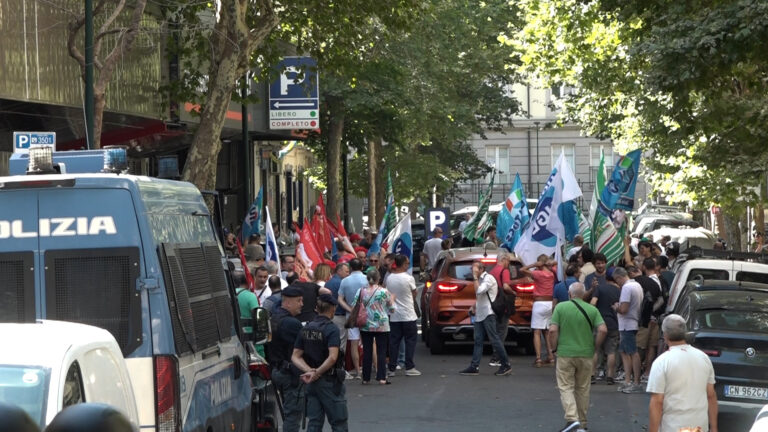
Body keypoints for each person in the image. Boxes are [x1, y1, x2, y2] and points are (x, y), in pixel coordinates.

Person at [549, 282, 607, 432]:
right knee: (582, 389)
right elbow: (603, 330)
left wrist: (553, 348)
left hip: (565, 353)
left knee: (566, 386)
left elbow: (553, 331)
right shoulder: (592, 309)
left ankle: (572, 418)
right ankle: (582, 423)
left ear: (570, 294)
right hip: (586, 353)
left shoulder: (561, 308)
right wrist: (595, 347)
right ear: (583, 295)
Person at [647, 314, 718, 432]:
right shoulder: (703, 358)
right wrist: (714, 427)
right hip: (699, 426)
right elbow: (711, 395)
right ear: (685, 333)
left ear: (665, 335)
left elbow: (657, 402)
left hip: (673, 426)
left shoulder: (661, 362)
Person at [292, 294, 349, 432]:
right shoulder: (331, 329)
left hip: (312, 383)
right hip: (329, 381)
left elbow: (295, 356)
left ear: (317, 309)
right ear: (333, 309)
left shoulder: (306, 328)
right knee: (339, 422)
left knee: (314, 422)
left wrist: (309, 371)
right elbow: (332, 357)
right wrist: (317, 372)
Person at [459, 261, 513, 376]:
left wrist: (474, 277)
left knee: (494, 339)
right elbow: (480, 297)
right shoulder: (480, 280)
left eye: (474, 269)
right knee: (478, 340)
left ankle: (506, 364)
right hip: (480, 314)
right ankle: (474, 366)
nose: (472, 271)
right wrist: (474, 306)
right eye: (472, 269)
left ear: (481, 269)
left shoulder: (488, 278)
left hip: (489, 313)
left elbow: (479, 290)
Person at [267, 286, 305, 432]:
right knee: (293, 415)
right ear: (288, 303)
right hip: (289, 373)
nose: (302, 304)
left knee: (288, 412)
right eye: (299, 301)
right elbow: (303, 347)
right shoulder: (291, 323)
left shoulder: (274, 318)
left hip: (277, 368)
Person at [353, 269, 395, 384]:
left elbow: (354, 305)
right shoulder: (384, 292)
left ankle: (366, 378)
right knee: (382, 351)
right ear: (379, 278)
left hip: (366, 324)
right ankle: (381, 377)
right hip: (382, 324)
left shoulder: (361, 291)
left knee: (367, 351)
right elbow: (392, 309)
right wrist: (392, 300)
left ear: (367, 278)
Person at [386, 254, 421, 377]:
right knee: (410, 341)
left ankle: (392, 367)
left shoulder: (389, 278)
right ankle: (409, 366)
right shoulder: (408, 278)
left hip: (394, 314)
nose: (408, 265)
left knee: (394, 342)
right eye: (407, 263)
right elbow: (414, 292)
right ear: (403, 264)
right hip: (408, 314)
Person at [588, 254, 620, 384]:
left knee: (596, 349)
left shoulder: (599, 288)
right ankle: (610, 376)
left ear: (605, 278)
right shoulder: (619, 290)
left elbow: (593, 303)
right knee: (611, 351)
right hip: (613, 323)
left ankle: (592, 375)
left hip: (600, 323)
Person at [488, 250, 524, 366]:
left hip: (493, 304)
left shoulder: (492, 271)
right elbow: (505, 286)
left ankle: (495, 355)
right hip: (503, 304)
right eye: (508, 260)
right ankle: (497, 357)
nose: (508, 262)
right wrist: (513, 292)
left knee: (496, 330)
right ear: (503, 260)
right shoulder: (505, 271)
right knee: (502, 330)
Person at [612, 266, 644, 393]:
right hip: (633, 321)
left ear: (620, 277)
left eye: (616, 280)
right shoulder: (637, 285)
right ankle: (628, 380)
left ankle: (635, 382)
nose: (617, 283)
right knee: (625, 352)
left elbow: (624, 309)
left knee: (631, 352)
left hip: (627, 323)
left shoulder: (626, 288)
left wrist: (616, 307)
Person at [521, 254, 557, 367]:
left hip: (539, 303)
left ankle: (538, 358)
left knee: (537, 332)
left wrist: (534, 265)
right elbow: (557, 263)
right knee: (546, 331)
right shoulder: (552, 273)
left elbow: (522, 269)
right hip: (550, 303)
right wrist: (550, 263)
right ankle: (550, 356)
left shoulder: (538, 273)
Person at [634, 258, 664, 383]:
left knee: (640, 346)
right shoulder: (660, 279)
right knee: (651, 346)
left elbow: (648, 301)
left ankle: (635, 373)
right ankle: (647, 372)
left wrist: (648, 312)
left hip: (647, 319)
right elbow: (661, 299)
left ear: (644, 267)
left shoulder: (645, 282)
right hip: (656, 319)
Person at [338, 259, 367, 378]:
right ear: (362, 266)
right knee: (370, 342)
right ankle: (373, 366)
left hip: (351, 315)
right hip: (366, 314)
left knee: (354, 343)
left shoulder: (345, 281)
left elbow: (340, 299)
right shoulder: (366, 278)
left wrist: (349, 309)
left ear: (350, 268)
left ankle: (358, 371)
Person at [326, 263, 351, 360]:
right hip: (339, 316)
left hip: (329, 315)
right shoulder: (342, 283)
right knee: (340, 342)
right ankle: (339, 367)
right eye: (346, 271)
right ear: (339, 271)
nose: (348, 274)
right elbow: (344, 300)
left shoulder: (328, 282)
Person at [233, 271, 260, 336]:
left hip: (234, 333)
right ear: (250, 281)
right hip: (250, 335)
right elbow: (257, 317)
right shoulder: (251, 296)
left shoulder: (231, 293)